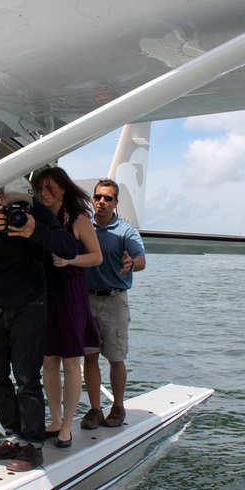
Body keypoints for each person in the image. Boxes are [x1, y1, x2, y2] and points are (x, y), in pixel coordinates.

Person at [0, 177, 77, 471]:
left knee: (26, 378)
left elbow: (68, 248)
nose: (17, 211)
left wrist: (35, 230)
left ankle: (32, 446)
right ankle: (15, 435)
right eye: (12, 205)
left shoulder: (37, 213)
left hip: (30, 304)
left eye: (23, 204)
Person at [32, 167, 102, 448]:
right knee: (49, 360)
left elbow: (96, 257)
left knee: (71, 362)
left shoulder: (78, 219)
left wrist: (70, 261)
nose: (43, 194)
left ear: (62, 188)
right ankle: (55, 418)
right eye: (39, 189)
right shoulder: (37, 219)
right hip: (45, 294)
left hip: (71, 294)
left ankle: (67, 426)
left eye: (49, 188)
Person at [81, 179, 145, 429]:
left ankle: (118, 407)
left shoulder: (126, 231)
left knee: (116, 358)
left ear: (116, 203)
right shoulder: (85, 227)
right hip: (86, 300)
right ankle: (95, 410)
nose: (102, 202)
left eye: (108, 198)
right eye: (98, 197)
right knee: (90, 357)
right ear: (92, 200)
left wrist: (133, 263)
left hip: (115, 300)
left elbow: (140, 258)